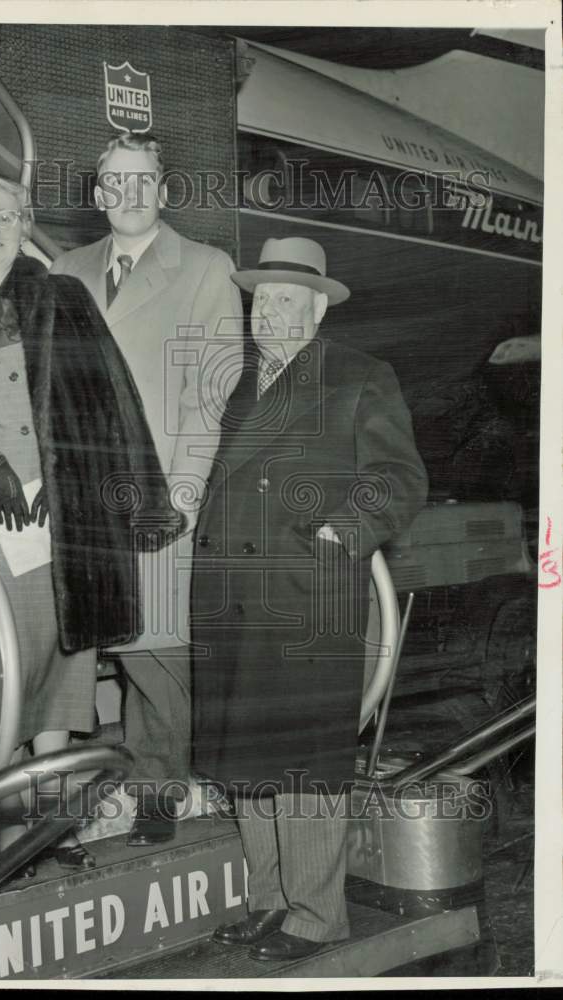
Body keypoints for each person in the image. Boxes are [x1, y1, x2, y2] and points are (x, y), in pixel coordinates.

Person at [0, 172, 180, 872]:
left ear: (25, 226)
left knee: (62, 660)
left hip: (65, 514)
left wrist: (136, 498)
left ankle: (50, 829)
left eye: (8, 215)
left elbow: (114, 400)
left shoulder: (62, 299)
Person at [191, 237, 428, 960]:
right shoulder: (236, 384)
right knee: (246, 760)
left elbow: (399, 478)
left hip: (306, 594)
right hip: (230, 595)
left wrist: (338, 533)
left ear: (318, 308)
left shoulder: (360, 375)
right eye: (262, 299)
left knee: (304, 763)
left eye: (288, 300)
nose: (272, 313)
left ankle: (318, 915)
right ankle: (269, 900)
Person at [50, 133, 243, 845]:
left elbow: (212, 392)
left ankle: (163, 793)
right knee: (115, 640)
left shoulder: (203, 267)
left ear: (163, 191)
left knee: (157, 647)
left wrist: (187, 490)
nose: (127, 194)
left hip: (158, 494)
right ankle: (142, 782)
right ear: (98, 196)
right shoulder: (65, 269)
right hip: (81, 498)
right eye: (113, 182)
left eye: (143, 180)